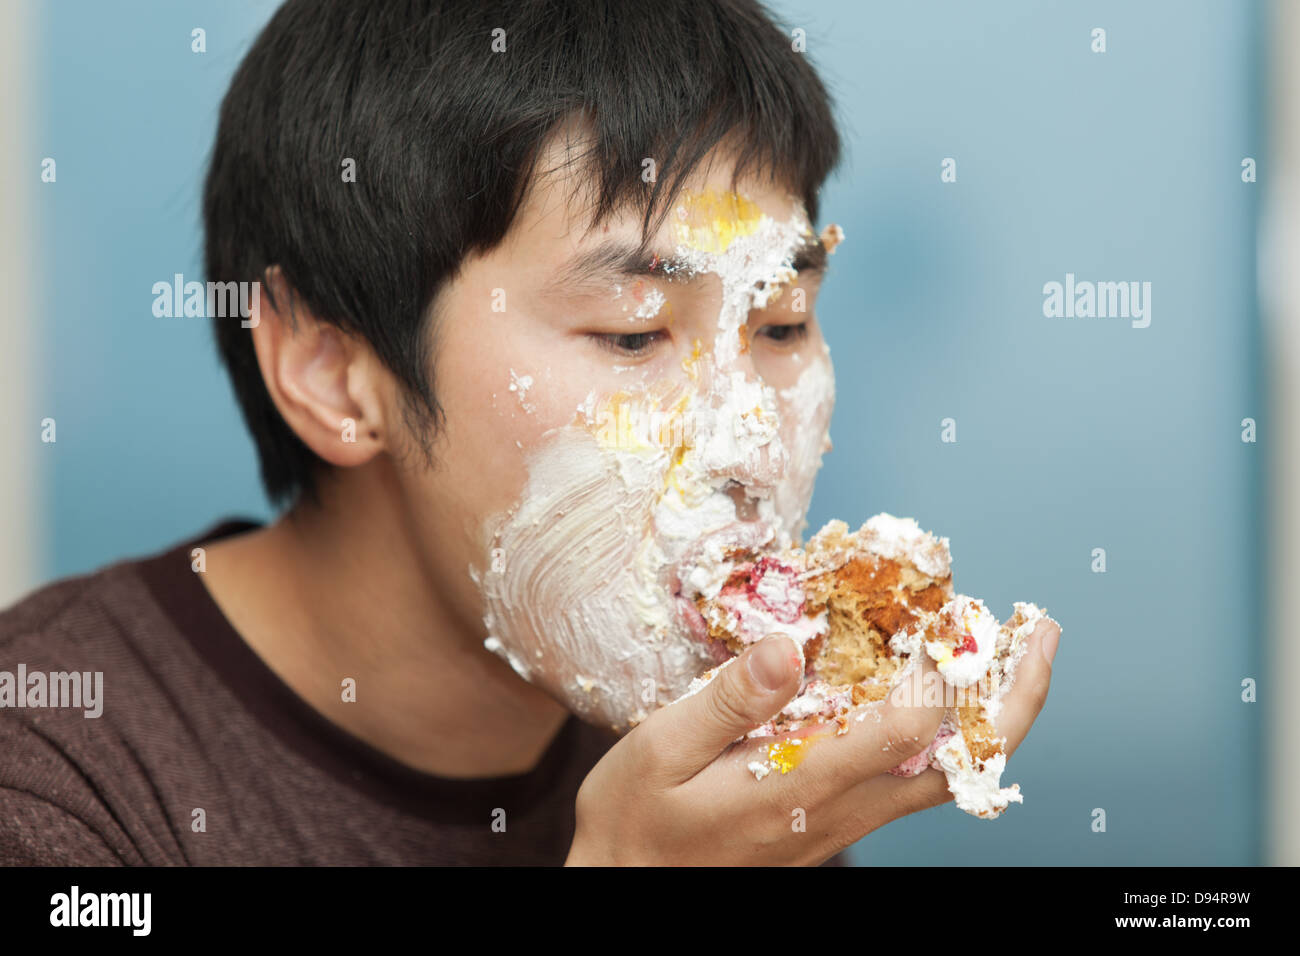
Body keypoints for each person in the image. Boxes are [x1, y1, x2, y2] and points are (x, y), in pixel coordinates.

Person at [0, 0, 1058, 866]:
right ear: (335, 375)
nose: (750, 447)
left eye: (781, 323)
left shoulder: (723, 753)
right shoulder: (55, 775)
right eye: (636, 335)